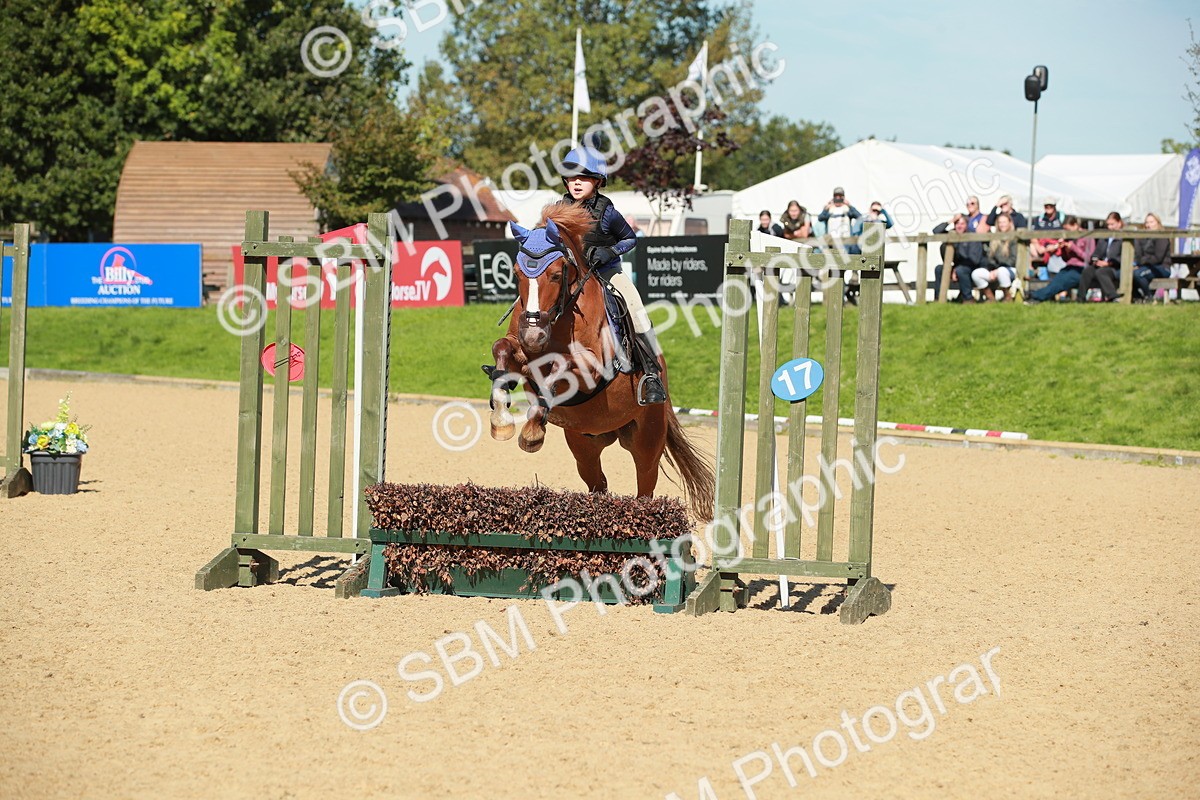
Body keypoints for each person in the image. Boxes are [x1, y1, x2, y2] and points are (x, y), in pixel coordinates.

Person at [558, 146, 664, 404]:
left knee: (637, 310)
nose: (576, 183)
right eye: (572, 178)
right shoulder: (559, 208)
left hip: (607, 273)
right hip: (569, 276)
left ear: (597, 181)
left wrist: (610, 251)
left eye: (583, 178)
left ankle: (651, 375)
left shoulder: (606, 212)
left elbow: (629, 239)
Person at [1024, 216, 1094, 304]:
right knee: (1056, 281)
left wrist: (1073, 247)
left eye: (1068, 229)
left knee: (1061, 283)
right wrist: (1064, 249)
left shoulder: (1087, 236)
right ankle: (1037, 296)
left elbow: (1088, 258)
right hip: (1069, 267)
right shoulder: (1069, 238)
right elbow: (1066, 259)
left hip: (1082, 269)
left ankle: (1035, 295)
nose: (1067, 232)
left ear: (1075, 225)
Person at [932, 214, 984, 302]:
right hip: (956, 267)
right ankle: (939, 299)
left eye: (962, 224)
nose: (959, 226)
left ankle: (968, 299)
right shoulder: (952, 234)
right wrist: (951, 220)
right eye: (957, 224)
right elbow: (936, 231)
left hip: (971, 267)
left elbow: (974, 260)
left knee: (961, 270)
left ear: (967, 225)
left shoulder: (972, 236)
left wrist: (956, 270)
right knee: (939, 269)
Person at [1076, 211, 1125, 303]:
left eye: (1112, 224)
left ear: (1119, 223)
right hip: (1101, 265)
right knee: (1087, 271)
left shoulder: (1124, 238)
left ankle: (1112, 296)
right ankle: (1080, 298)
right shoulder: (1104, 238)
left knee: (1101, 272)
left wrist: (1108, 263)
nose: (1110, 227)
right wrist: (1095, 260)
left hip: (1115, 267)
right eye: (1108, 225)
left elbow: (1122, 258)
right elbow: (1096, 253)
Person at [973, 213, 1018, 301]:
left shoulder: (1014, 238)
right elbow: (990, 258)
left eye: (1004, 222)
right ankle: (990, 298)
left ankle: (1007, 297)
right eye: (1000, 222)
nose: (1002, 224)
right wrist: (992, 270)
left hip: (1011, 269)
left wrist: (998, 269)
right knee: (976, 273)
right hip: (996, 269)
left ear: (1009, 223)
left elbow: (1013, 259)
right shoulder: (994, 238)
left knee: (1002, 271)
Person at [1131, 213, 1171, 301]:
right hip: (1145, 266)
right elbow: (1138, 255)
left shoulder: (1162, 236)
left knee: (1138, 274)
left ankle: (1149, 297)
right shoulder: (1142, 237)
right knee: (1127, 273)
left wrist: (1142, 262)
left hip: (1162, 268)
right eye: (1147, 222)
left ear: (1158, 223)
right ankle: (1137, 297)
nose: (1148, 225)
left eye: (1151, 222)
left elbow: (1158, 258)